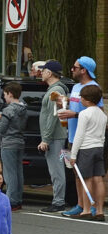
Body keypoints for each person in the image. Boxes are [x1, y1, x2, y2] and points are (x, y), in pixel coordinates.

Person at [59, 56, 101, 218]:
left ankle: (91, 207)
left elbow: (96, 113)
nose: (72, 69)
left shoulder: (93, 87)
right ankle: (80, 204)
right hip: (72, 137)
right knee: (77, 174)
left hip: (86, 139)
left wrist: (74, 114)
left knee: (88, 175)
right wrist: (64, 103)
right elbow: (75, 104)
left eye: (75, 67)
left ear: (84, 70)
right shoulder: (76, 86)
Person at [65, 83, 107, 221]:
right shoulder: (103, 114)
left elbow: (79, 135)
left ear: (87, 100)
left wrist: (73, 154)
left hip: (86, 149)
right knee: (99, 179)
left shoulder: (84, 114)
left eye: (82, 98)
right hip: (99, 148)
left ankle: (87, 210)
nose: (80, 100)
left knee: (86, 179)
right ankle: (100, 210)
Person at [37, 60, 69, 213]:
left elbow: (53, 116)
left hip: (55, 137)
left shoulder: (55, 92)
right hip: (58, 136)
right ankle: (59, 200)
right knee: (57, 168)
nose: (41, 73)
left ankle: (58, 202)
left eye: (43, 70)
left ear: (49, 73)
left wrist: (46, 139)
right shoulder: (57, 90)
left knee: (56, 170)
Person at [0, 81, 27, 211]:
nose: (4, 97)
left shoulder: (8, 109)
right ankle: (18, 200)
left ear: (10, 94)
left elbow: (1, 129)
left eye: (5, 94)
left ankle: (10, 201)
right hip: (20, 142)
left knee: (9, 173)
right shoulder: (23, 108)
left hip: (8, 143)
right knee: (18, 172)